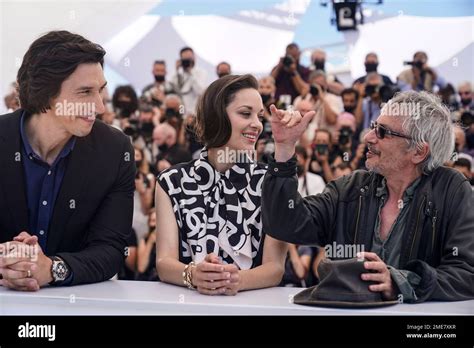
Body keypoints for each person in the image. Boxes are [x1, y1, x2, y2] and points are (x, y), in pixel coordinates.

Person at [262, 90, 474, 302]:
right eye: (374, 126)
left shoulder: (451, 191)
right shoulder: (352, 188)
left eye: (383, 132)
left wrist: (400, 282)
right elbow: (284, 223)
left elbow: (466, 274)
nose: (368, 137)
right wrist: (284, 149)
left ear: (418, 152)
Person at [0, 30, 135, 290]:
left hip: (76, 304)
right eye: (85, 92)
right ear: (46, 94)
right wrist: (8, 261)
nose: (99, 107)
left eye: (101, 90)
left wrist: (51, 269)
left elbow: (111, 251)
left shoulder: (116, 151)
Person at [155, 74, 288, 295]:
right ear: (215, 116)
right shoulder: (171, 181)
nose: (256, 124)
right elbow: (164, 262)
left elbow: (275, 267)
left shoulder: (271, 182)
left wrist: (238, 280)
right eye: (246, 113)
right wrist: (193, 275)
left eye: (260, 116)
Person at [169, 47, 207, 116]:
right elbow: (172, 88)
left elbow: (200, 91)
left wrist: (190, 73)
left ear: (194, 57)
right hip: (182, 108)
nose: (188, 61)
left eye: (189, 58)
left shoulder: (201, 72)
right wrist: (176, 70)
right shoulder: (178, 73)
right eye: (185, 59)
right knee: (181, 118)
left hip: (196, 110)